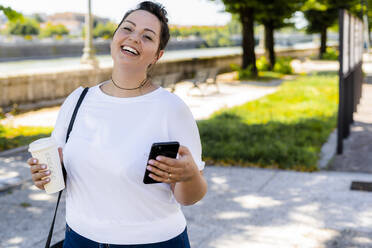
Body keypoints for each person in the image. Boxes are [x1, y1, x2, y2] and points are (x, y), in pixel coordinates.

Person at [27, 1, 207, 247]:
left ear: (157, 55)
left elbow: (189, 198)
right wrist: (43, 177)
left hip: (154, 242)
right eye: (128, 29)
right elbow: (56, 178)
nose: (134, 38)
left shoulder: (171, 109)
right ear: (114, 37)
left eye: (147, 36)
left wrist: (190, 175)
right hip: (79, 238)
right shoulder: (78, 100)